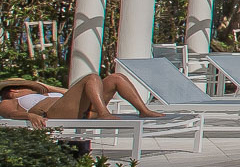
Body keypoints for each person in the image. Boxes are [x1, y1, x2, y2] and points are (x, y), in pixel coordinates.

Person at [0, 62, 166, 128]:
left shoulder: (43, 95)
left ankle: (143, 110)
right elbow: (11, 113)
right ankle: (104, 114)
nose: (34, 90)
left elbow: (71, 93)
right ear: (13, 90)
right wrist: (29, 115)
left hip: (79, 109)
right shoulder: (11, 101)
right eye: (28, 87)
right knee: (92, 77)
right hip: (54, 113)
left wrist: (47, 88)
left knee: (116, 78)